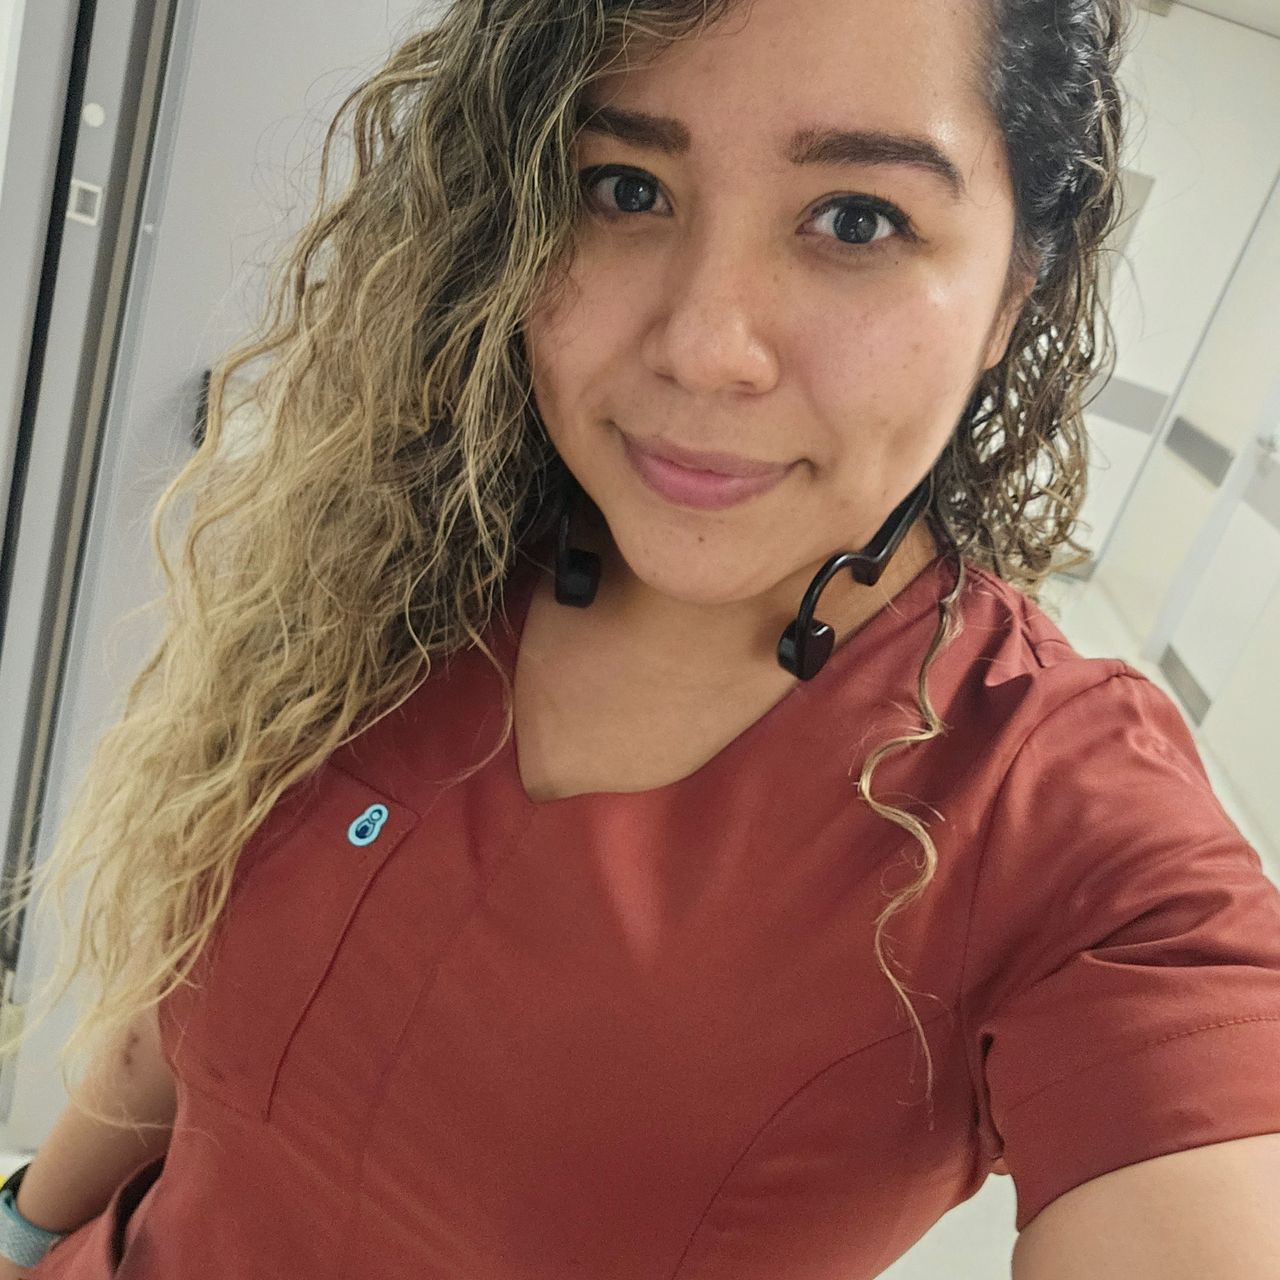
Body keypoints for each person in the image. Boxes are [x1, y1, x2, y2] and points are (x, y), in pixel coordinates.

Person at [3, 0, 1279, 1275]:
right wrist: (22, 1225)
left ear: (1011, 292)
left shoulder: (1060, 823)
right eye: (625, 189)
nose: (703, 349)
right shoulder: (416, 553)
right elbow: (184, 1011)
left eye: (856, 219)